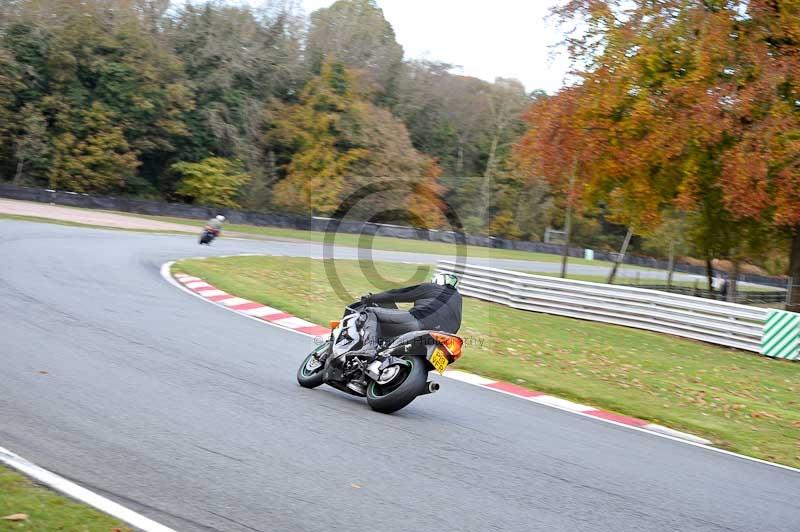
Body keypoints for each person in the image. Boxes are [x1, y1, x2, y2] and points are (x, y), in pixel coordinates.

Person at [357, 272, 462, 355]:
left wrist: (371, 298)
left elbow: (399, 294)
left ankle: (368, 348)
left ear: (436, 281)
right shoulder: (458, 299)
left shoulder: (432, 287)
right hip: (442, 339)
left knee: (370, 311)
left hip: (419, 322)